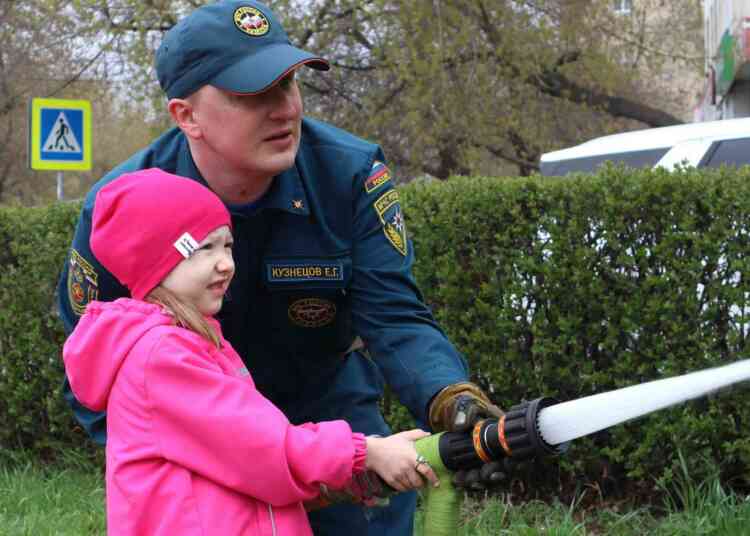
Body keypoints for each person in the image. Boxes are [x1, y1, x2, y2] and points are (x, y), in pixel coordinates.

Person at [57, 1, 504, 534]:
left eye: (289, 84)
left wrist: (449, 397)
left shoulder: (348, 174)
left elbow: (393, 315)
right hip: (198, 438)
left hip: (331, 409)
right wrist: (183, 471)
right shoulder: (122, 208)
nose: (286, 109)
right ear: (186, 115)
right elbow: (96, 361)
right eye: (253, 95)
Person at [62, 169, 439, 535]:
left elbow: (246, 470)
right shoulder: (162, 358)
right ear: (153, 260)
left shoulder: (197, 342)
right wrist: (365, 453)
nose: (226, 263)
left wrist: (354, 476)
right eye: (204, 248)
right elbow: (264, 449)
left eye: (227, 245)